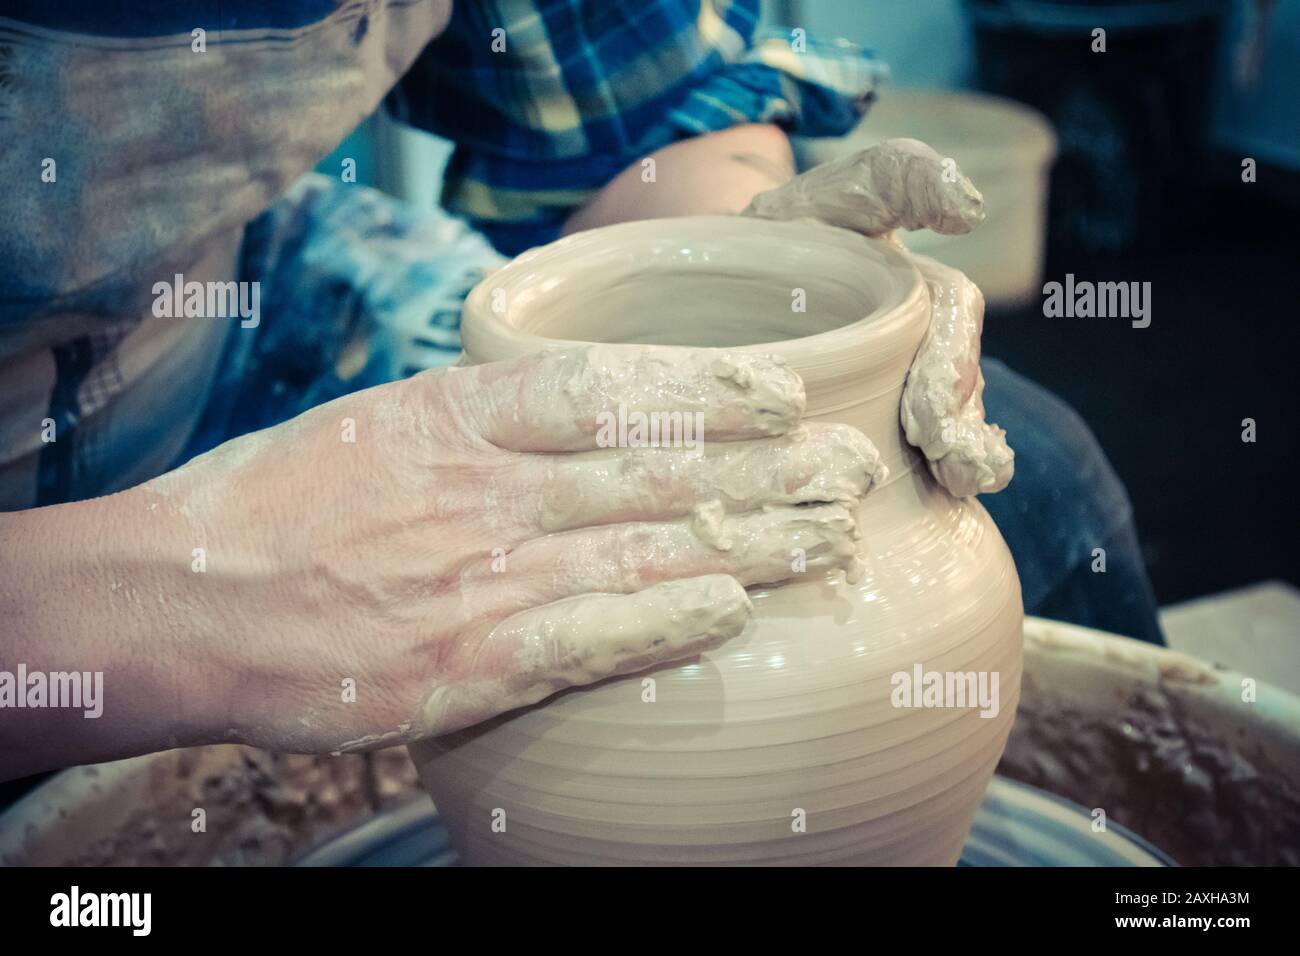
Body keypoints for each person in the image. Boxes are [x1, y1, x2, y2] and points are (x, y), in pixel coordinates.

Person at [0, 1, 1161, 783]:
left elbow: (643, 117)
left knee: (1030, 484)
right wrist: (187, 606)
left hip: (205, 304)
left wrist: (736, 276)